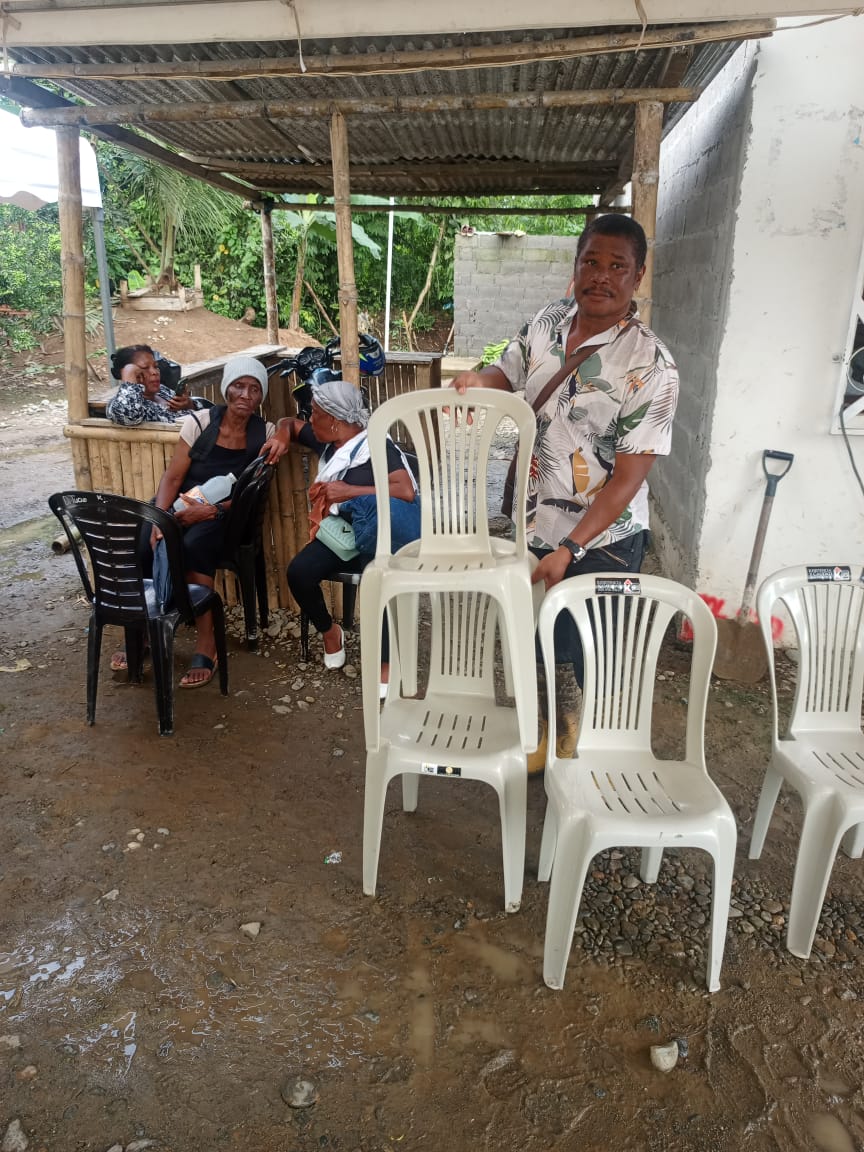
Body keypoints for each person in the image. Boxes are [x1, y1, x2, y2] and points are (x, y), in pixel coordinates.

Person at [449, 212, 679, 768]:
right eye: (591, 261)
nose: (601, 275)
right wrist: (478, 382)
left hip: (601, 538)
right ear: (575, 266)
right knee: (536, 630)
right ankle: (544, 727)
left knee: (576, 643)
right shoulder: (549, 320)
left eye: (617, 266)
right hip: (535, 520)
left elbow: (628, 478)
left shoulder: (650, 365)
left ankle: (571, 741)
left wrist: (572, 548)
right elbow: (508, 372)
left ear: (638, 275)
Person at [262, 379, 416, 679]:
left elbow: (405, 491)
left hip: (378, 531)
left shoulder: (376, 445)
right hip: (344, 534)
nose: (310, 419)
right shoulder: (329, 441)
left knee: (377, 583)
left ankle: (385, 663)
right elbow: (290, 424)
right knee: (299, 573)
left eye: (315, 413)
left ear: (334, 420)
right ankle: (330, 632)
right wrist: (281, 434)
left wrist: (350, 491)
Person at [145, 355, 276, 686]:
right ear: (226, 388)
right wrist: (161, 518)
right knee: (144, 535)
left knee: (195, 543)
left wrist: (212, 511)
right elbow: (173, 477)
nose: (245, 395)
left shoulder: (265, 433)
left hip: (230, 515)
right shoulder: (199, 423)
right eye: (239, 386)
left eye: (254, 389)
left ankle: (208, 642)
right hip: (185, 503)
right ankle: (143, 629)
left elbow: (253, 494)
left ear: (261, 396)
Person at [106, 344, 199, 426]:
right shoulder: (118, 406)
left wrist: (189, 404)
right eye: (145, 368)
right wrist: (128, 372)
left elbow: (199, 409)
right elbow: (128, 415)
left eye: (155, 366)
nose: (155, 372)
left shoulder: (162, 391)